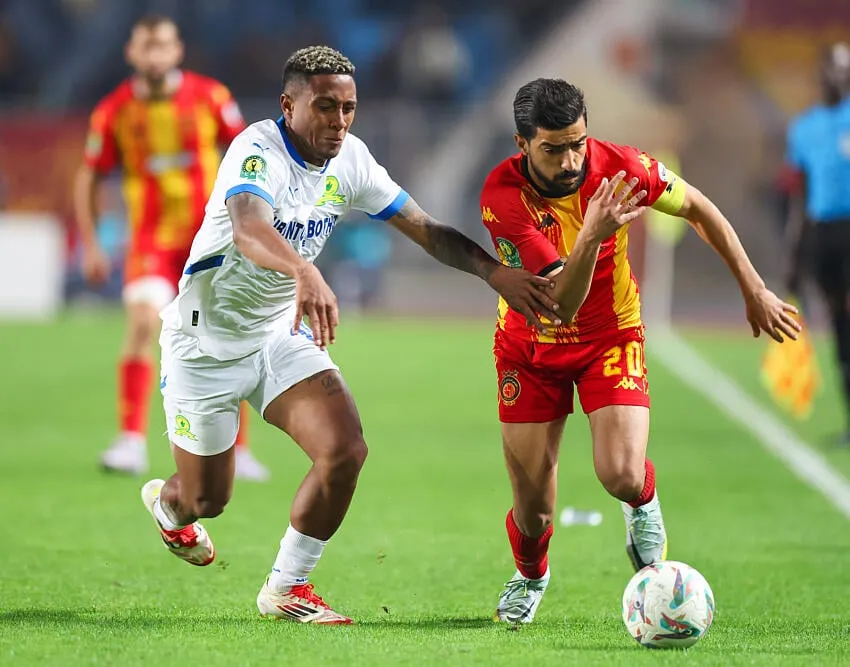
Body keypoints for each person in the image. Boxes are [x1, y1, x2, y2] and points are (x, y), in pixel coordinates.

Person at [139, 45, 567, 624]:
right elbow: (248, 229)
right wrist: (303, 270)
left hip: (278, 333)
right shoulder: (256, 152)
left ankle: (287, 587)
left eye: (348, 108)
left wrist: (495, 274)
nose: (339, 122)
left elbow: (425, 228)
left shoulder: (353, 160)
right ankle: (171, 508)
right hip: (204, 345)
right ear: (289, 105)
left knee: (345, 450)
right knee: (206, 499)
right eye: (325, 107)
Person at [480, 78, 800, 624]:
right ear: (522, 144)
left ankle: (642, 505)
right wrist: (593, 234)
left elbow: (698, 207)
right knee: (534, 512)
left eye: (577, 143)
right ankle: (530, 576)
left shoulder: (624, 169)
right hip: (531, 345)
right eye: (553, 149)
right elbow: (560, 305)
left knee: (622, 474)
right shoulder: (503, 197)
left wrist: (754, 288)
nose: (570, 160)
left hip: (610, 335)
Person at [73, 15, 269, 481]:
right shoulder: (114, 111)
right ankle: (130, 442)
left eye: (162, 45)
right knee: (144, 322)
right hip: (152, 241)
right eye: (147, 46)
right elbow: (89, 177)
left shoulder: (210, 97)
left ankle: (237, 450)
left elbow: (251, 153)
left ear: (177, 50)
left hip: (210, 239)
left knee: (224, 333)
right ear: (132, 53)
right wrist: (92, 244)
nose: (155, 55)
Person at [784, 42, 850, 443]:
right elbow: (801, 197)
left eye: (846, 69)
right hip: (825, 234)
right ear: (822, 73)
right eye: (834, 68)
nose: (839, 76)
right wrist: (794, 255)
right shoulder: (804, 129)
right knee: (840, 326)